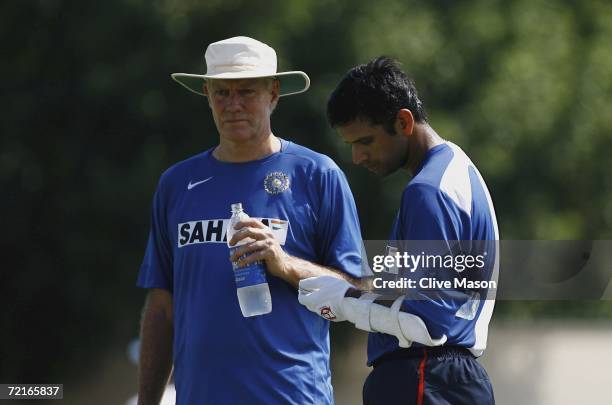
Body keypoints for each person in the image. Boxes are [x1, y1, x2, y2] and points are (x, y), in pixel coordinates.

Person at [136, 36, 364, 405]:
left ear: (273, 93)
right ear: (206, 95)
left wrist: (284, 263)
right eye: (222, 92)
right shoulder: (176, 184)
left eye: (246, 91)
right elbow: (162, 307)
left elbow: (356, 290)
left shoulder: (317, 174)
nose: (233, 104)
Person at [298, 56, 499, 404]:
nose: (357, 157)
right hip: (444, 379)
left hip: (425, 377)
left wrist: (343, 301)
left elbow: (430, 323)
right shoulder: (458, 170)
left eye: (365, 141)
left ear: (403, 121)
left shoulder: (428, 191)